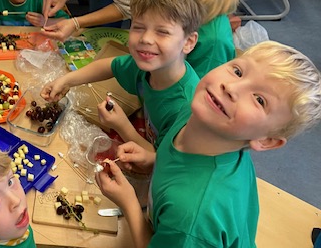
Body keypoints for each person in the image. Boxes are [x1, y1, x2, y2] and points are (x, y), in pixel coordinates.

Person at [96, 41, 321, 248]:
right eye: (238, 71)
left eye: (259, 100)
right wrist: (155, 160)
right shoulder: (199, 114)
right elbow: (186, 164)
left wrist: (129, 204)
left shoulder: (191, 217)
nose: (231, 88)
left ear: (265, 140)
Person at [42, 0, 204, 150]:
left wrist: (122, 126)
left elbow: (160, 159)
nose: (146, 39)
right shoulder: (149, 66)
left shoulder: (186, 108)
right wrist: (66, 80)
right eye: (138, 27)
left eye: (162, 32)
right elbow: (109, 66)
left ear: (189, 42)